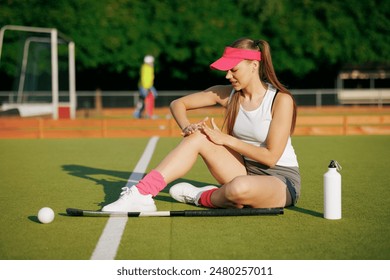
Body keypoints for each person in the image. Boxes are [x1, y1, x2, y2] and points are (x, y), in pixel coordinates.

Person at [103, 38, 300, 212]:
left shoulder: (280, 100)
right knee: (199, 136)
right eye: (226, 70)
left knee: (239, 188)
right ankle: (142, 194)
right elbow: (178, 104)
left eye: (234, 69)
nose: (227, 76)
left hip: (280, 179)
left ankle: (202, 197)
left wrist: (226, 140)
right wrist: (187, 126)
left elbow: (271, 157)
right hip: (243, 169)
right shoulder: (228, 94)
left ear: (254, 65)